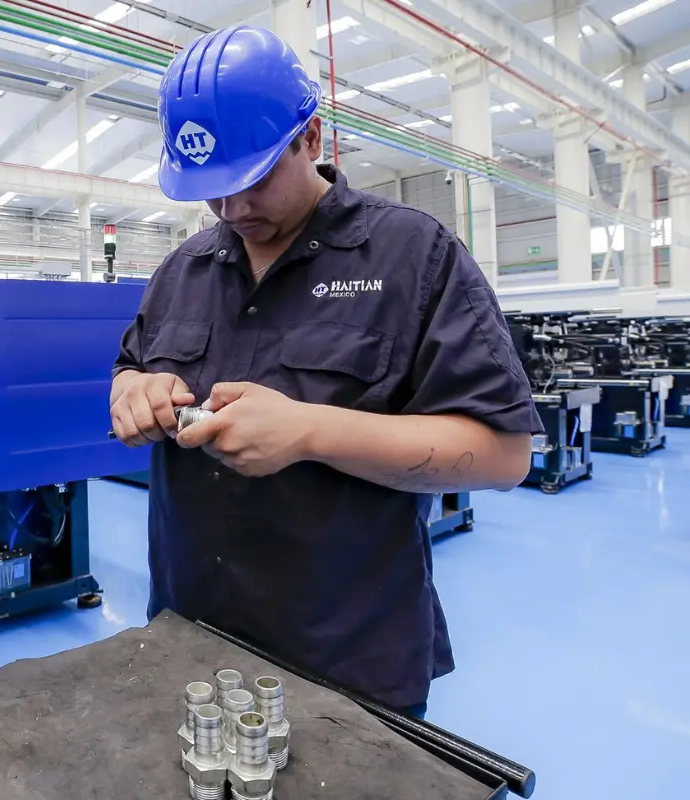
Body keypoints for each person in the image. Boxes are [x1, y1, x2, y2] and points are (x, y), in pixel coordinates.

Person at [109, 25, 541, 718]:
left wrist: (310, 432)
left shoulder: (413, 257)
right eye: (212, 192)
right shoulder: (181, 270)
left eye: (252, 181)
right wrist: (134, 391)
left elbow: (504, 455)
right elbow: (130, 369)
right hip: (189, 639)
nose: (233, 210)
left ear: (311, 138)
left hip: (345, 665)